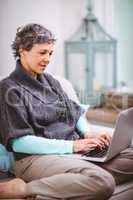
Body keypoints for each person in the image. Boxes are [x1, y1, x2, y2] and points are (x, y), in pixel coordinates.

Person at [0, 23, 133, 200]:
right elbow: (19, 143)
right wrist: (72, 146)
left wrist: (87, 134)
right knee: (103, 182)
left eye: (50, 53)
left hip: (73, 153)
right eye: (42, 52)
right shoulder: (9, 88)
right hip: (34, 158)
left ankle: (77, 178)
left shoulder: (51, 81)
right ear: (23, 50)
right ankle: (25, 189)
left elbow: (74, 112)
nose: (47, 58)